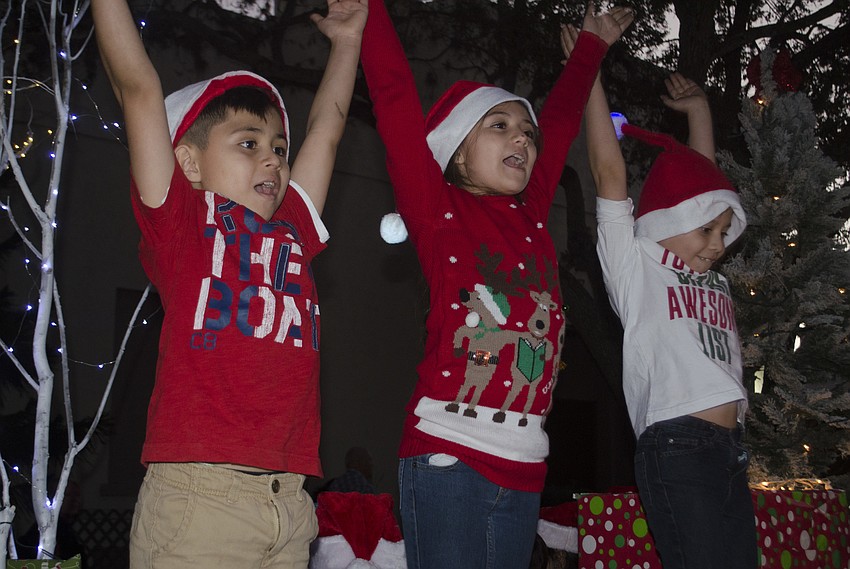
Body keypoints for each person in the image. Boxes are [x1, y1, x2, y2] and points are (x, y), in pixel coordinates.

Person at [91, 0, 367, 567]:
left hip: (289, 503)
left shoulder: (293, 226)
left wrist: (345, 44)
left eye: (278, 150)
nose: (272, 160)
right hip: (199, 501)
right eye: (248, 144)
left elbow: (329, 130)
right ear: (188, 163)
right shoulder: (183, 226)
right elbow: (138, 86)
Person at [359, 3, 632, 567]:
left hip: (527, 463)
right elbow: (391, 96)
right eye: (500, 126)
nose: (524, 139)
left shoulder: (532, 213)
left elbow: (558, 124)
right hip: (449, 457)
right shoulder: (437, 211)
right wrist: (371, 12)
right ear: (457, 148)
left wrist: (591, 47)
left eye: (525, 133)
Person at [577, 22, 757, 568]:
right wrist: (590, 68)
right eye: (707, 232)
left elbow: (702, 186)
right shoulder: (638, 266)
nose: (717, 246)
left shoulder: (709, 277)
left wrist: (700, 114)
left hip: (729, 454)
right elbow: (610, 171)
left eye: (723, 234)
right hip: (678, 448)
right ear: (673, 221)